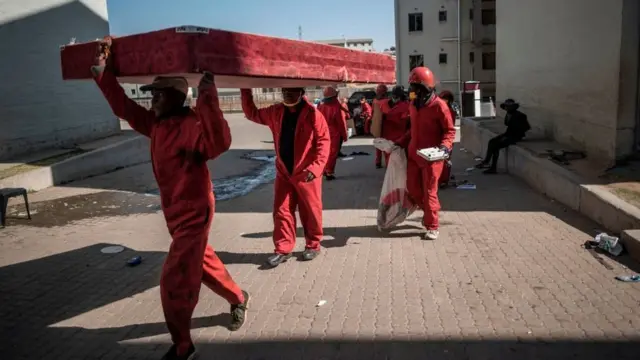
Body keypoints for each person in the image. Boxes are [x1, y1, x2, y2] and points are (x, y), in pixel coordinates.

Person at [91, 37, 248, 360]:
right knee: (204, 263)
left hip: (195, 213)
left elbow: (219, 143)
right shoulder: (157, 123)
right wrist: (103, 72)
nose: (151, 103)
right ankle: (238, 297)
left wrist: (207, 93)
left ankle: (183, 346)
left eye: (158, 96)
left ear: (176, 97)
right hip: (174, 214)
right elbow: (124, 107)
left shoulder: (192, 125)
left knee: (174, 279)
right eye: (151, 96)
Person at [240, 87, 330, 268]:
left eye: (292, 91)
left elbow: (324, 141)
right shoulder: (275, 111)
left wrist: (316, 167)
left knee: (310, 210)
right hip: (284, 173)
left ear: (301, 92)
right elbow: (251, 113)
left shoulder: (313, 114)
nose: (287, 94)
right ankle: (283, 249)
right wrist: (245, 89)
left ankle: (313, 244)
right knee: (282, 210)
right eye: (285, 91)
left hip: (307, 173)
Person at [395, 67, 456, 240]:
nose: (412, 92)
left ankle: (432, 225)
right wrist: (400, 142)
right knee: (413, 190)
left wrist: (445, 147)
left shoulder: (439, 106)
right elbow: (413, 130)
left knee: (429, 192)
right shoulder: (414, 104)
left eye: (415, 88)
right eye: (412, 88)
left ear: (426, 88)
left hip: (432, 158)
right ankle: (430, 212)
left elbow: (449, 131)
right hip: (414, 154)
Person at [475, 98, 530, 174]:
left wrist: (512, 134)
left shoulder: (520, 115)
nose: (507, 108)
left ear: (513, 107)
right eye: (506, 106)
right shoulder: (508, 114)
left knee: (496, 146)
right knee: (491, 142)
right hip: (508, 134)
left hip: (515, 136)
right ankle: (486, 162)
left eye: (509, 106)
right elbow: (507, 125)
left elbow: (526, 127)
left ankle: (493, 168)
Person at [317, 86, 348, 180]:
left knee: (323, 152)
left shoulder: (320, 105)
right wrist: (345, 136)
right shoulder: (335, 107)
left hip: (322, 132)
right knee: (332, 153)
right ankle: (329, 172)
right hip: (334, 133)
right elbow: (341, 123)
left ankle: (324, 170)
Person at [377, 85, 410, 166]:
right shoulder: (406, 105)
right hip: (397, 137)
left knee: (390, 156)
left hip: (390, 136)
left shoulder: (381, 103)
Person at [437, 90, 457, 187]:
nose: (443, 101)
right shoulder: (439, 109)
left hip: (446, 139)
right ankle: (440, 179)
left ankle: (444, 180)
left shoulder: (450, 112)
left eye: (445, 99)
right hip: (438, 138)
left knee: (446, 159)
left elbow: (449, 128)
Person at [372, 84, 389, 168]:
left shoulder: (374, 101)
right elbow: (388, 113)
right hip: (384, 125)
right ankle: (387, 162)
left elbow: (373, 112)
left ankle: (378, 161)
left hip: (376, 125)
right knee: (385, 144)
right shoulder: (386, 101)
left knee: (378, 144)